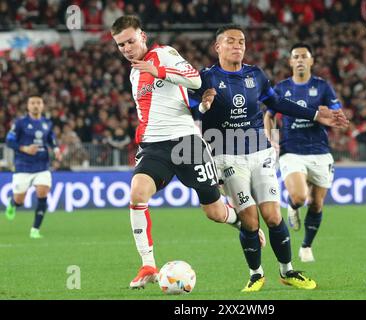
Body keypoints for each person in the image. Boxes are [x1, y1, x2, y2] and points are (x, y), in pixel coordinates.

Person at [189, 25, 348, 292]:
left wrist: (314, 114)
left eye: (241, 41)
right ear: (218, 47)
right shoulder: (205, 78)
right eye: (230, 41)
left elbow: (277, 103)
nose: (238, 45)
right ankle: (255, 274)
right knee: (250, 220)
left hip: (260, 152)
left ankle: (287, 271)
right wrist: (202, 106)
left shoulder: (256, 75)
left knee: (273, 216)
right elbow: (189, 107)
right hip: (227, 158)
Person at [110, 16, 257, 289]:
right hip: (154, 146)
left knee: (213, 211)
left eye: (130, 41)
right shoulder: (133, 73)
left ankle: (240, 222)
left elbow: (194, 79)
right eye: (121, 45)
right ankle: (148, 265)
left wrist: (160, 72)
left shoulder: (164, 54)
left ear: (142, 35)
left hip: (187, 143)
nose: (127, 48)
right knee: (137, 193)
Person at [264, 43, 342, 262]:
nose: (299, 60)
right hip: (291, 150)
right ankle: (293, 205)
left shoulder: (323, 87)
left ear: (311, 61)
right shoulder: (281, 88)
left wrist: (331, 115)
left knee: (316, 203)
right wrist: (272, 139)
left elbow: (337, 113)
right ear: (290, 62)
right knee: (300, 196)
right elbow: (269, 115)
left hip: (319, 151)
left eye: (303, 57)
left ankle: (306, 246)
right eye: (295, 57)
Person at [4, 96, 62, 239]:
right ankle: (13, 203)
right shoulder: (20, 123)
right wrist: (24, 148)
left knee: (43, 194)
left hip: (42, 165)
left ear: (42, 106)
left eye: (38, 103)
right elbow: (9, 141)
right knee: (20, 200)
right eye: (32, 103)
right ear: (28, 106)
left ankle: (35, 229)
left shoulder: (47, 123)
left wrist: (56, 150)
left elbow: (51, 140)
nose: (36, 105)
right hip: (23, 166)